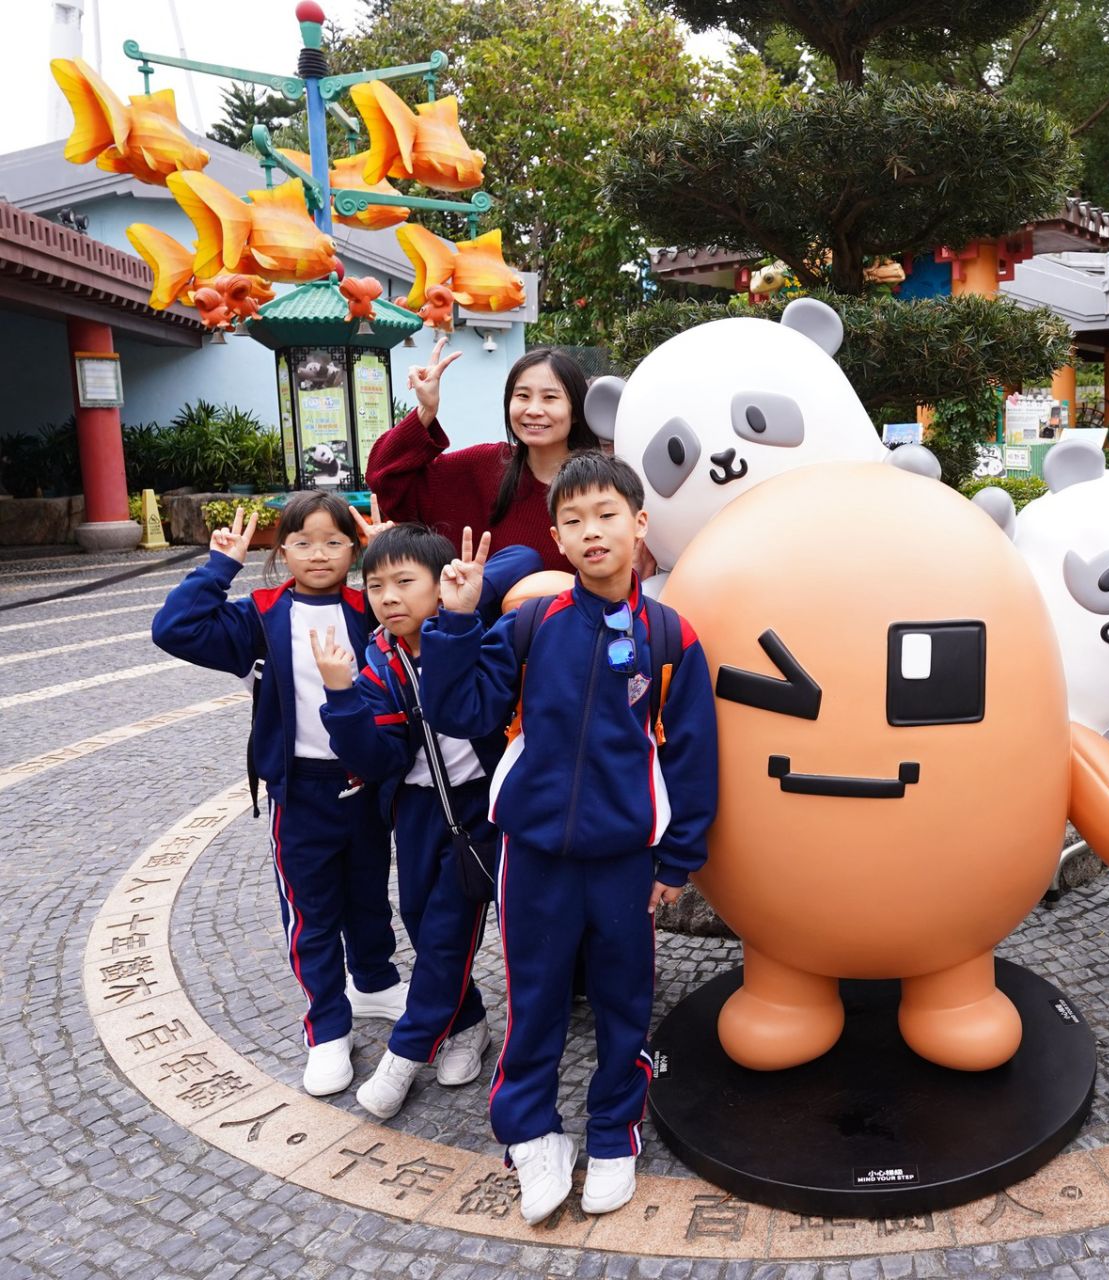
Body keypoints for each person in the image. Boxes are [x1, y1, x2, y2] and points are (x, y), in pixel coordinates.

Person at [419, 451, 718, 1224]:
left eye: (607, 515)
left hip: (626, 861)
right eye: (574, 520)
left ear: (639, 523)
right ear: (555, 535)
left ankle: (614, 1130)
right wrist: (454, 622)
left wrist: (677, 860)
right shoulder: (529, 623)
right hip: (535, 858)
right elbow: (460, 711)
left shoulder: (670, 636)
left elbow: (691, 757)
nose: (592, 532)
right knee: (537, 998)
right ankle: (531, 1131)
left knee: (625, 999)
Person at [151, 493, 406, 1098]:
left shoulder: (367, 607)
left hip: (365, 782)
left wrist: (390, 550)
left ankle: (372, 980)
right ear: (281, 550)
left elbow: (432, 610)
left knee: (369, 893)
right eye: (303, 541)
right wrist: (220, 566)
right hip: (301, 791)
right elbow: (174, 629)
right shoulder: (261, 613)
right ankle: (326, 1027)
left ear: (354, 548)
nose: (319, 553)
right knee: (313, 914)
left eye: (334, 541)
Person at [312, 525, 540, 1121]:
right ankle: (467, 1024)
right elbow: (379, 758)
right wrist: (341, 698)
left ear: (443, 586)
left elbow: (527, 555)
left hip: (478, 808)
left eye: (405, 582)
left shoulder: (472, 629)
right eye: (376, 584)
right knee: (418, 916)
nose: (388, 596)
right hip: (416, 812)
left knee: (446, 930)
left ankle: (406, 1052)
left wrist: (472, 589)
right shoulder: (377, 663)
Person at [367, 341, 609, 575]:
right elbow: (384, 478)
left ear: (575, 410)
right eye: (523, 396)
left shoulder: (603, 486)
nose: (534, 410)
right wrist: (426, 410)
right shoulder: (485, 465)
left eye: (550, 398)